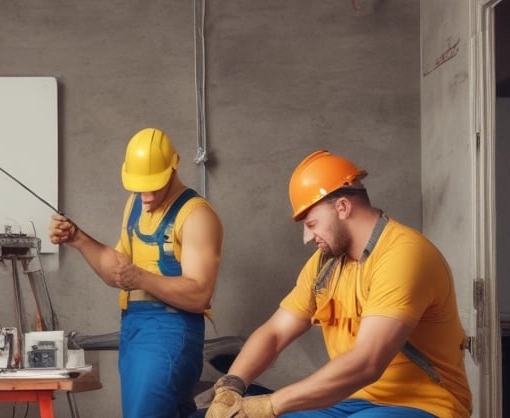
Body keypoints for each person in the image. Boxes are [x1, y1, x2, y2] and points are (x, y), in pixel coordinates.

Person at [204, 150, 471, 418]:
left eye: (311, 223)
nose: (307, 237)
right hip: (353, 401)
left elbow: (368, 362)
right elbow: (274, 333)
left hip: (425, 405)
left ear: (342, 207)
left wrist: (269, 405)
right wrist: (232, 385)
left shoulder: (403, 255)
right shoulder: (326, 265)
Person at [50, 127, 224, 417]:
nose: (145, 195)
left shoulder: (197, 215)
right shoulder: (135, 205)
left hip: (171, 333)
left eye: (153, 185)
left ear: (174, 167)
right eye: (139, 186)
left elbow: (199, 295)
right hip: (133, 329)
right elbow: (116, 273)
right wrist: (78, 239)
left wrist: (141, 278)